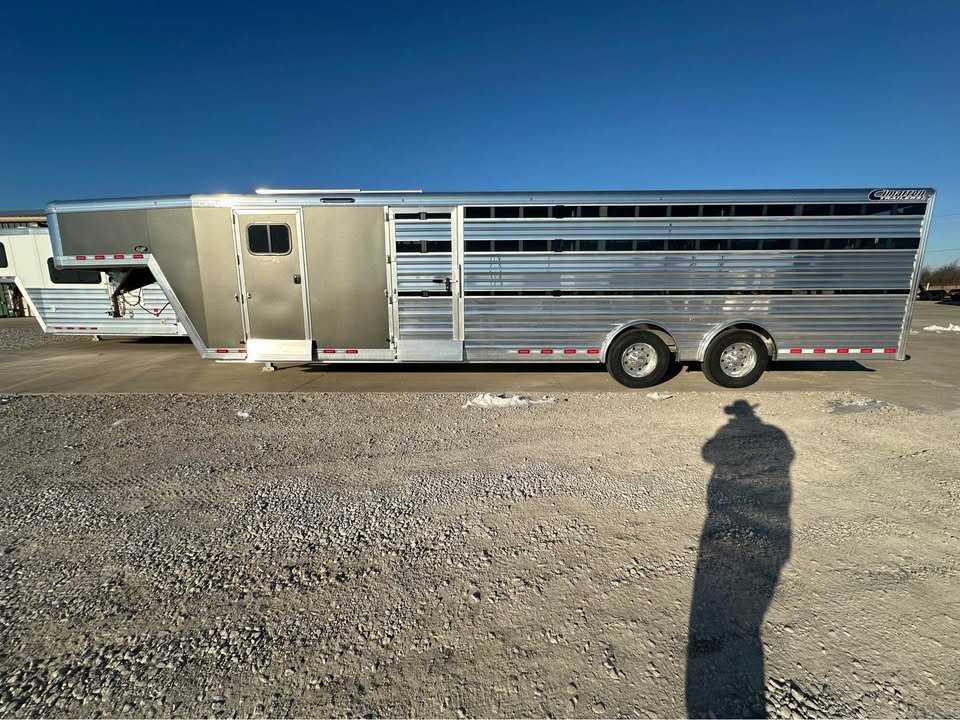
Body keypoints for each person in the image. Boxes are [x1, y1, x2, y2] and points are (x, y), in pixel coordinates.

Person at [686, 400, 794, 718]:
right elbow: (788, 457)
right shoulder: (775, 433)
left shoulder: (731, 431)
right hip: (773, 520)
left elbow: (707, 454)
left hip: (727, 514)